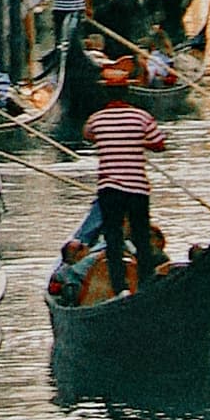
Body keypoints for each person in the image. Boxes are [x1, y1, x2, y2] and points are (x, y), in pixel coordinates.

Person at [80, 54, 167, 297]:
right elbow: (160, 144)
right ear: (128, 92)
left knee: (114, 238)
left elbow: (88, 136)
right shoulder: (142, 117)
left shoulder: (96, 119)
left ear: (107, 93)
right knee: (140, 237)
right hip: (137, 188)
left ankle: (120, 288)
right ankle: (146, 284)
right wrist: (140, 143)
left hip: (109, 189)